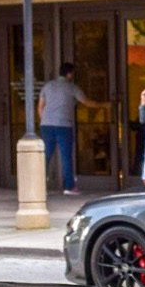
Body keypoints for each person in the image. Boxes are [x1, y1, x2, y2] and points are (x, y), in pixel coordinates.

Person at [38, 62, 87, 195]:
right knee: (66, 156)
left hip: (46, 125)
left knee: (45, 156)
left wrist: (44, 120)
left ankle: (38, 187)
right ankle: (69, 187)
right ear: (69, 74)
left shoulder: (47, 86)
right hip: (63, 125)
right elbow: (86, 102)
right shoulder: (71, 88)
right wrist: (106, 105)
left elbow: (40, 106)